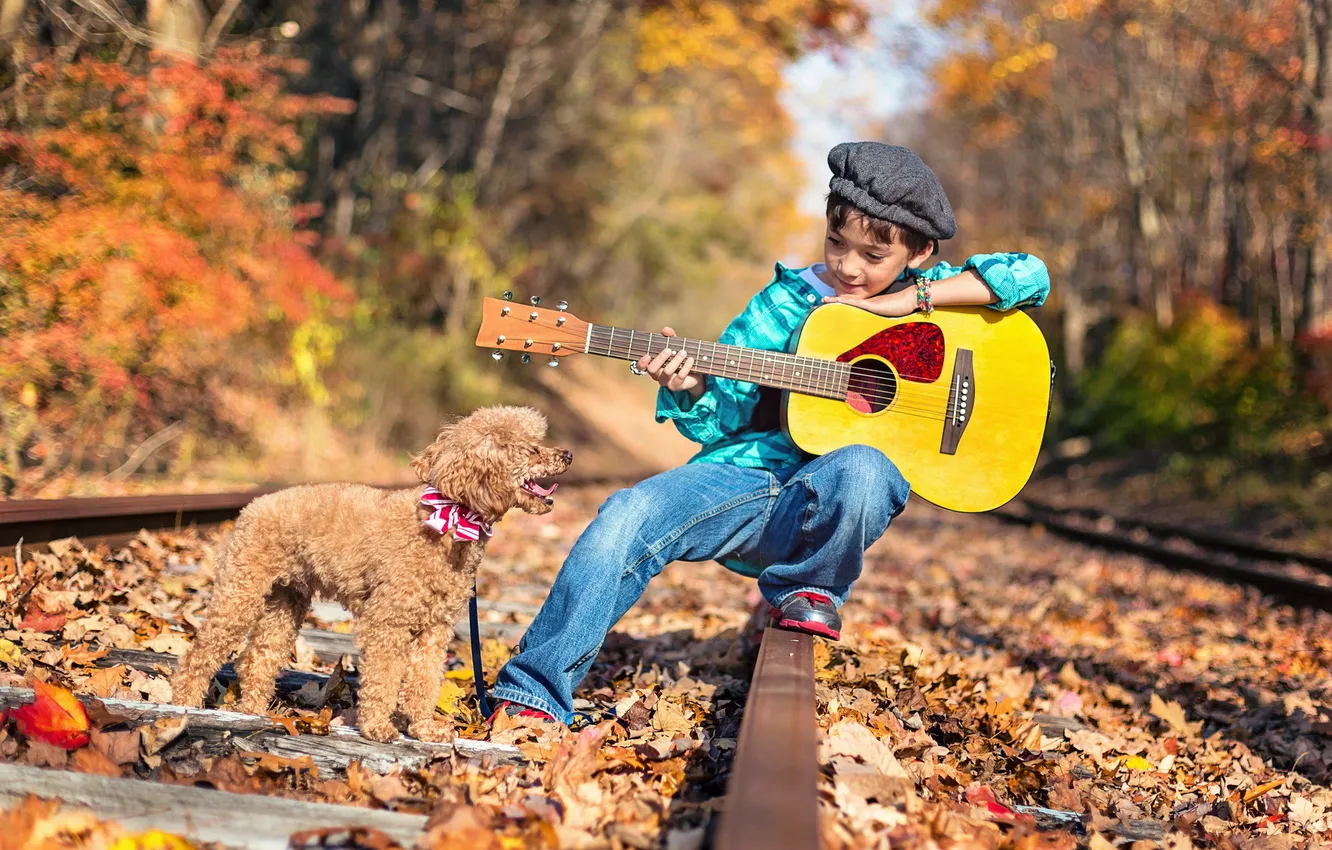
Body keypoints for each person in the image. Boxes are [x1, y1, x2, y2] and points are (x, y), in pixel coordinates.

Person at [487, 141, 1051, 724]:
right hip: (746, 481)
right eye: (836, 243)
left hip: (830, 496)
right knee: (625, 514)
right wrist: (690, 387)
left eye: (872, 254)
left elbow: (1030, 276)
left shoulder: (933, 303)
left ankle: (813, 589)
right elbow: (721, 416)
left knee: (863, 466)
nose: (849, 267)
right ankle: (532, 691)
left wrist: (908, 302)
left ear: (918, 252)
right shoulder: (785, 303)